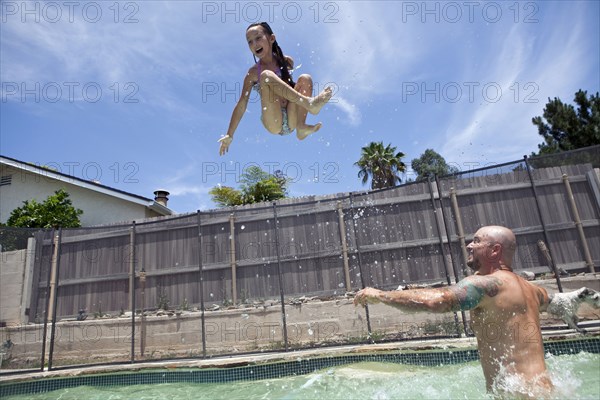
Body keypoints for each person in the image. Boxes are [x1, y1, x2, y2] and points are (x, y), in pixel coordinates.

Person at [354, 225, 554, 398]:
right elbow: (554, 302)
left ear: (495, 251)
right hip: (541, 391)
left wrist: (380, 295)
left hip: (518, 395)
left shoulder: (488, 285)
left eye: (476, 242)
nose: (469, 246)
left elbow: (438, 301)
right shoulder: (533, 290)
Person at [218, 22, 333, 155]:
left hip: (292, 117)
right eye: (249, 42)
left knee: (305, 78)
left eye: (258, 38)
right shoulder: (253, 73)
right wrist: (229, 134)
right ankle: (309, 103)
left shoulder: (286, 61)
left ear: (271, 39)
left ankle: (301, 127)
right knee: (266, 75)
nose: (254, 44)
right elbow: (242, 104)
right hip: (273, 121)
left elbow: (292, 86)